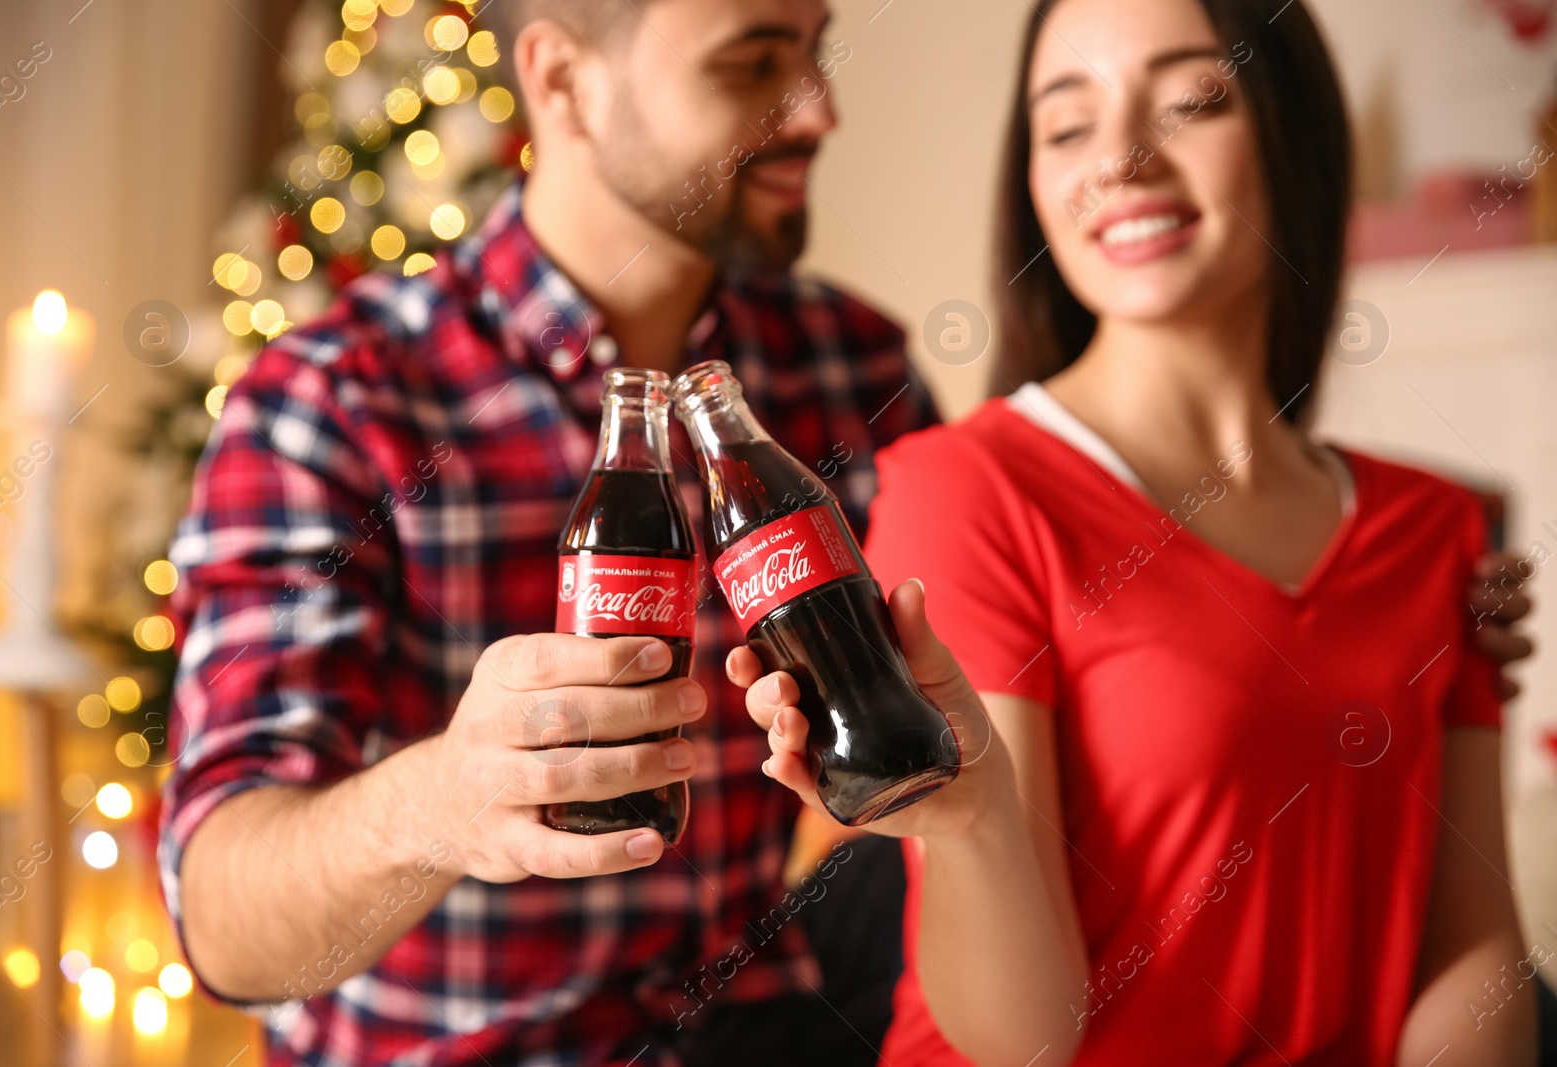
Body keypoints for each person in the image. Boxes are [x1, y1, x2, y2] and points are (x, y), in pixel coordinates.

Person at [161, 0, 1532, 1065]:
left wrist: (1400, 603)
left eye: (817, 51)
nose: (816, 108)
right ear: (562, 81)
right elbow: (222, 913)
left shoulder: (848, 365)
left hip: (771, 1028)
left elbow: (1069, 603)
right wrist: (442, 796)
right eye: (754, 63)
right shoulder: (335, 402)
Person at [725, 0, 1541, 1064]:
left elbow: (1472, 951)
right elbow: (1021, 1040)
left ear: (1289, 127)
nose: (1118, 160)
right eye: (1065, 127)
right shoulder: (964, 489)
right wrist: (972, 824)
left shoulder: (1434, 528)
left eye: (1191, 101)